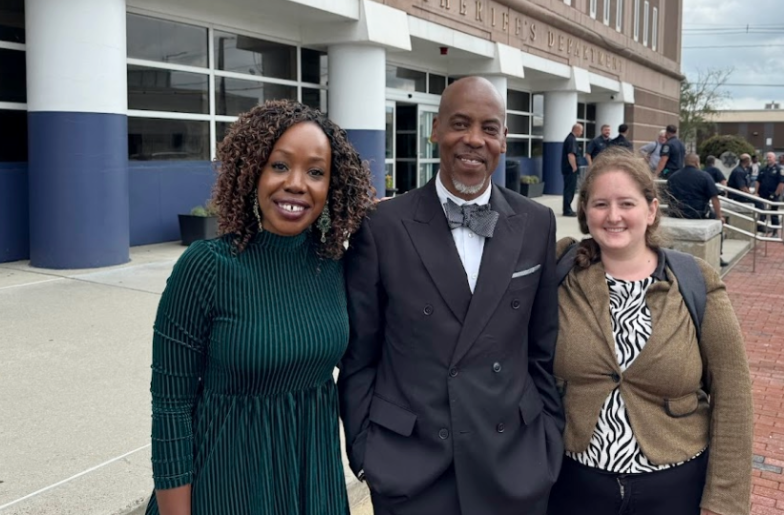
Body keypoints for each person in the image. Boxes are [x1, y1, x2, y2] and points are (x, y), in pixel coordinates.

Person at [338, 77, 565, 515]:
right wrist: (367, 452)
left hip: (513, 462)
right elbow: (359, 355)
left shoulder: (536, 222)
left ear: (503, 140)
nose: (473, 140)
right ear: (435, 129)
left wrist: (546, 440)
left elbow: (542, 349)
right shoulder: (382, 226)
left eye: (489, 128)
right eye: (460, 124)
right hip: (411, 465)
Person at [145, 100, 374, 515]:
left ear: (333, 187)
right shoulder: (206, 267)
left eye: (316, 172)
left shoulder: (335, 265)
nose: (297, 184)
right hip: (225, 489)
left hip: (312, 485)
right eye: (280, 165)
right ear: (251, 173)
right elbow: (170, 407)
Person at [549, 151, 753, 515]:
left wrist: (725, 502)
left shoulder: (694, 281)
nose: (613, 216)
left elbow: (733, 393)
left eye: (626, 203)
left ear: (651, 210)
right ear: (584, 213)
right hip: (573, 487)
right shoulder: (559, 271)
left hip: (674, 488)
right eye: (600, 204)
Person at [667, 154, 723, 221]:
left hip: (676, 214)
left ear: (684, 163)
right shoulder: (705, 176)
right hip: (698, 214)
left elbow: (668, 195)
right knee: (713, 215)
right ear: (697, 163)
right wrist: (719, 217)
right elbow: (714, 198)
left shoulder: (673, 177)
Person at [755, 152, 784, 236]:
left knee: (773, 213)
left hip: (773, 194)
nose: (768, 159)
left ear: (774, 159)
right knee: (761, 211)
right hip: (763, 194)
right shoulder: (763, 169)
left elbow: (782, 183)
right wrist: (756, 192)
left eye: (770, 157)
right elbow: (758, 181)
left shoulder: (779, 169)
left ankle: (775, 232)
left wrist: (776, 194)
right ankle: (762, 227)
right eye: (767, 157)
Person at [562, 123, 584, 217]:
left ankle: (568, 208)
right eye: (581, 130)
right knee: (569, 190)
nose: (582, 133)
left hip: (568, 169)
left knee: (569, 189)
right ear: (577, 130)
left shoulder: (570, 138)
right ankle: (567, 210)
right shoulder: (571, 139)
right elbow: (571, 155)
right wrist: (574, 167)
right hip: (570, 169)